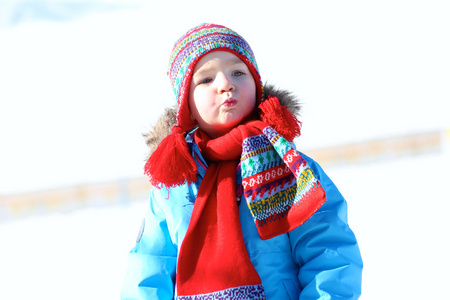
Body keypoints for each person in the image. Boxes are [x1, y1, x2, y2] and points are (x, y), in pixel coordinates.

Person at [121, 23, 363, 300]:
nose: (226, 84)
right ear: (186, 105)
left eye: (238, 72)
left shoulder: (290, 168)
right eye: (206, 80)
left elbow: (329, 254)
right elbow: (150, 268)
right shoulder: (173, 183)